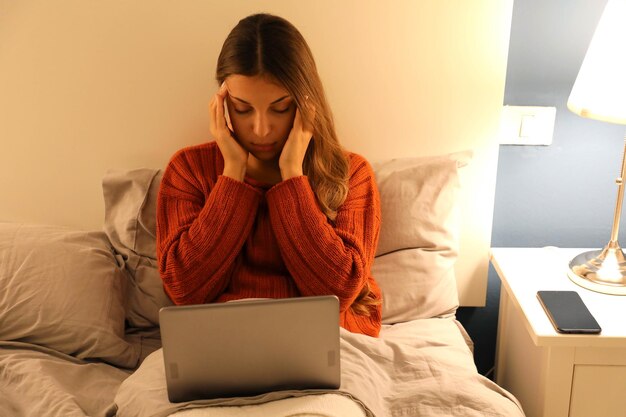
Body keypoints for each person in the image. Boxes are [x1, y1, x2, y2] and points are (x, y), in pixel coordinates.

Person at [156, 13, 382, 337]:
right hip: (222, 344)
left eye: (280, 108)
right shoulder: (188, 171)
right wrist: (232, 173)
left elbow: (337, 293)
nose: (261, 129)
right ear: (221, 103)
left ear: (307, 103)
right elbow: (184, 291)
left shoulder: (351, 174)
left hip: (325, 346)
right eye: (243, 108)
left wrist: (292, 176)